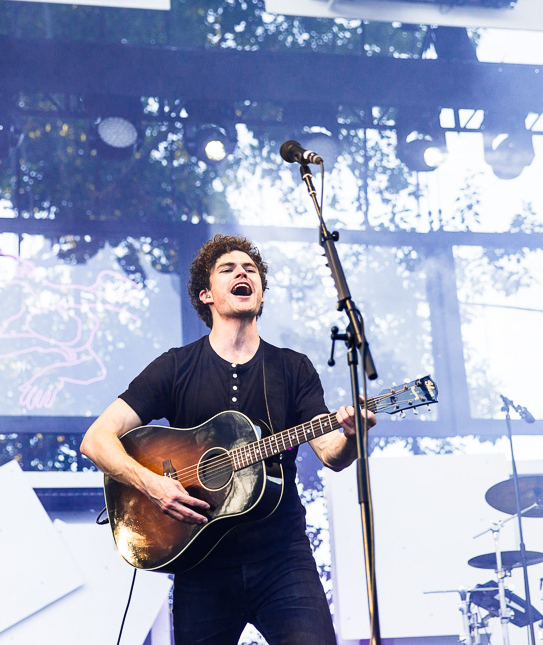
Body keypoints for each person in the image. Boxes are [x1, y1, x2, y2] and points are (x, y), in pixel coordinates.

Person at [80, 234, 376, 645]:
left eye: (250, 270)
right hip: (202, 566)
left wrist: (352, 437)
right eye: (228, 269)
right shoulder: (175, 367)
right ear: (206, 295)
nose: (242, 273)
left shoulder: (293, 368)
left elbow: (331, 455)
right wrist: (153, 483)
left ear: (260, 294)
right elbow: (96, 440)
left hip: (282, 560)